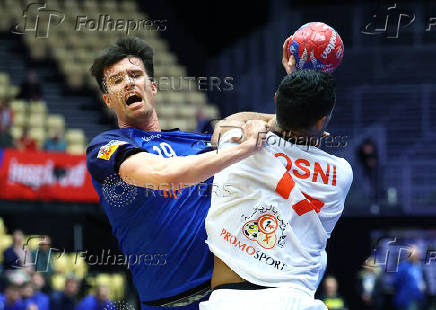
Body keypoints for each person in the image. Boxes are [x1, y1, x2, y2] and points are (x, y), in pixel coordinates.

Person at [86, 37, 271, 309]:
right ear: (108, 100)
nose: (128, 83)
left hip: (228, 295)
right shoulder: (106, 146)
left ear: (153, 88)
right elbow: (165, 176)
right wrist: (239, 150)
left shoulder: (196, 142)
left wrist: (245, 119)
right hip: (166, 304)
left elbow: (266, 124)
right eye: (116, 81)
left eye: (136, 75)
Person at [200, 70, 353, 310]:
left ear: (275, 101)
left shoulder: (236, 143)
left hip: (229, 301)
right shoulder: (341, 173)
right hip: (296, 301)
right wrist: (302, 115)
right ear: (322, 121)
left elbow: (226, 123)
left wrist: (278, 116)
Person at [393, 245, 426, 310]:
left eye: (416, 253)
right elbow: (396, 283)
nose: (416, 255)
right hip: (406, 300)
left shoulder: (418, 267)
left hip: (418, 299)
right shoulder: (402, 267)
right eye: (412, 253)